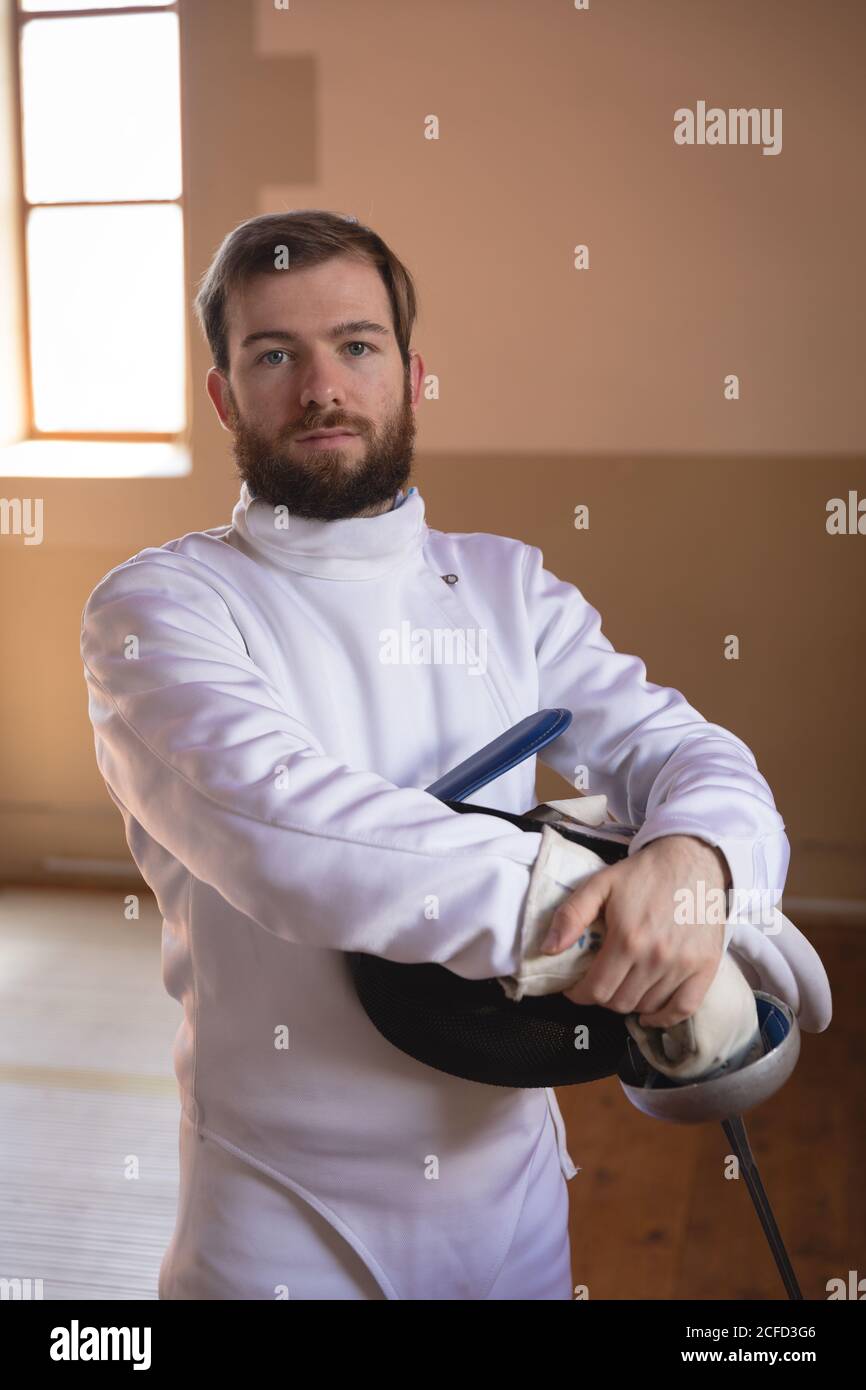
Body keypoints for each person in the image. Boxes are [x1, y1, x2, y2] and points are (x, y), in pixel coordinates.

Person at [80, 210, 799, 1300]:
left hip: (509, 1203)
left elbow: (682, 753)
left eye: (356, 346)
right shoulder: (160, 606)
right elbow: (290, 835)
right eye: (275, 354)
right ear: (225, 393)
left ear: (411, 375)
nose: (322, 385)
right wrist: (628, 916)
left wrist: (700, 865)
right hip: (279, 1219)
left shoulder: (510, 588)